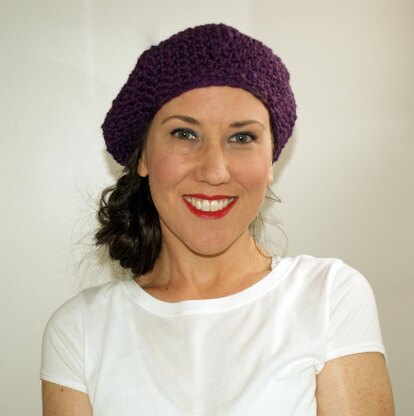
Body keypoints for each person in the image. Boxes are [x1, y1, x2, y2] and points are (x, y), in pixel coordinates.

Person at [40, 23, 394, 415]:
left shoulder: (329, 297)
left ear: (271, 159)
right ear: (143, 157)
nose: (214, 171)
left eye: (242, 138)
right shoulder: (80, 331)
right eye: (184, 134)